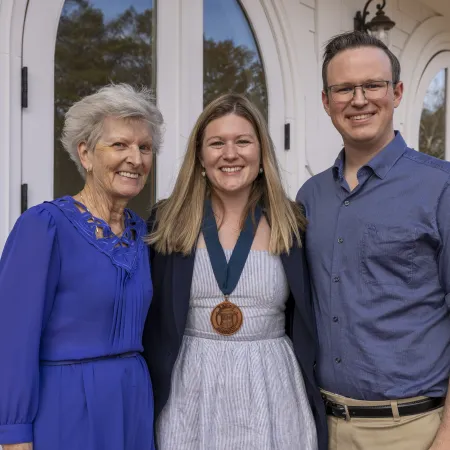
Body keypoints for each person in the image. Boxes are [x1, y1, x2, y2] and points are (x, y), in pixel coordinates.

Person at [143, 93, 327, 450]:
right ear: (199, 155)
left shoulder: (293, 221)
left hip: (271, 385)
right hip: (190, 385)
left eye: (243, 141)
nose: (230, 154)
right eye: (217, 143)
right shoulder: (167, 219)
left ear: (261, 152)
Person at [296, 31, 450, 450]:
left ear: (396, 92)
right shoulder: (310, 197)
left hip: (415, 429)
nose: (359, 99)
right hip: (325, 426)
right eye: (344, 88)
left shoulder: (441, 188)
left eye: (373, 85)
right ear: (327, 102)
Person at [0, 83, 164, 450]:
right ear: (86, 154)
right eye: (120, 145)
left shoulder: (145, 234)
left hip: (133, 402)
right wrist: (12, 434)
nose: (135, 159)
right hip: (66, 406)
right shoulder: (45, 226)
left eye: (145, 147)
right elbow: (11, 338)